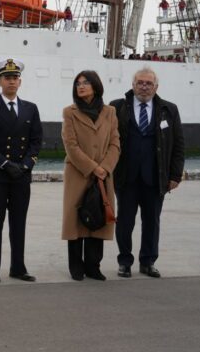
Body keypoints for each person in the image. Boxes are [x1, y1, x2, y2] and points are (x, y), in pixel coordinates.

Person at [111, 68, 184, 278]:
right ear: (133, 85)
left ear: (156, 87)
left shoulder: (169, 110)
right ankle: (124, 261)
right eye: (140, 82)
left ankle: (148, 261)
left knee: (152, 221)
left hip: (155, 177)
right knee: (125, 221)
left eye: (148, 83)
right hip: (126, 176)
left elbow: (178, 144)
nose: (144, 86)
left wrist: (175, 175)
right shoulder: (117, 107)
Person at [0, 59, 42, 283]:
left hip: (22, 176)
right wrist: (5, 164)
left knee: (19, 224)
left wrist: (25, 165)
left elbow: (36, 141)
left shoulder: (30, 109)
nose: (11, 81)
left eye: (15, 78)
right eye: (7, 78)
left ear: (20, 81)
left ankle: (18, 267)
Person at [61, 71, 120, 281]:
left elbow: (115, 143)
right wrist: (93, 167)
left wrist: (105, 167)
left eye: (86, 82)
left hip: (104, 174)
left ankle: (93, 266)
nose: (81, 86)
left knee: (99, 215)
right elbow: (71, 145)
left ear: (96, 86)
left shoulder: (110, 112)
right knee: (76, 219)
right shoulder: (70, 112)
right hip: (79, 173)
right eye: (78, 83)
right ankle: (76, 266)